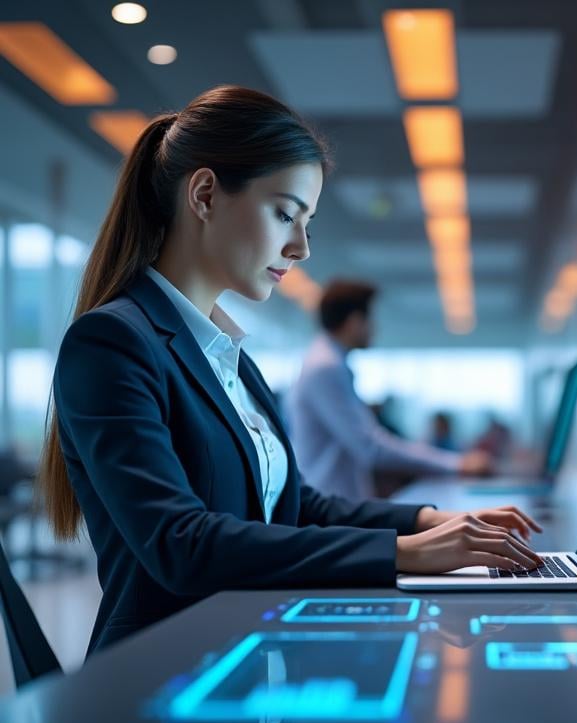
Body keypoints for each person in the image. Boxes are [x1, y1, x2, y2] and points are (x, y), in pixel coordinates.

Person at [37, 85, 542, 656]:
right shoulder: (113, 343)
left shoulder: (229, 355)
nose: (300, 248)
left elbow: (297, 506)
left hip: (252, 644)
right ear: (204, 195)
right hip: (167, 665)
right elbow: (180, 544)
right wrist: (404, 554)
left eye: (306, 223)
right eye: (285, 214)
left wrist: (430, 520)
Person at [287, 280, 492, 500]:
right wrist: (456, 464)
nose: (375, 327)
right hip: (328, 503)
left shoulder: (327, 361)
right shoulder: (326, 367)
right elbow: (370, 447)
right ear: (355, 321)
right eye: (370, 319)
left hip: (333, 500)